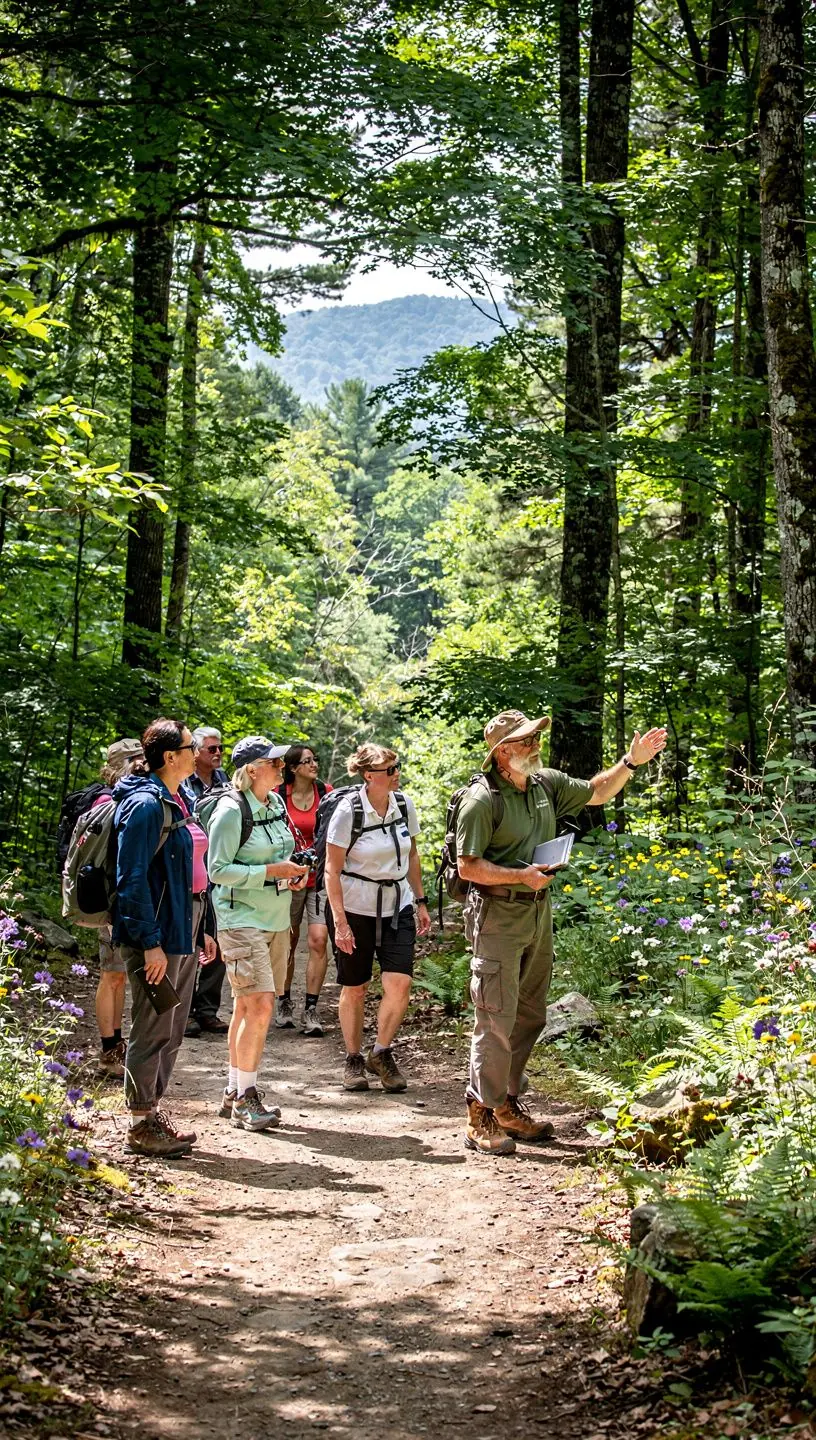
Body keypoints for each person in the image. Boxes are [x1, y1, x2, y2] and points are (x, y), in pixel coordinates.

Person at [456, 710, 667, 1156]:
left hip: (537, 913)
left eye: (535, 737)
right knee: (494, 1017)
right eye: (526, 740)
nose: (535, 745)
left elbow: (596, 792)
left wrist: (630, 762)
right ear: (501, 752)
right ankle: (481, 1112)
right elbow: (467, 866)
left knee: (530, 1014)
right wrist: (520, 877)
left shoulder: (544, 783)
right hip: (496, 916)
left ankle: (508, 1104)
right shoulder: (481, 800)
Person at [112, 719, 217, 1158]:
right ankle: (139, 1124)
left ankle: (152, 1112)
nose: (199, 754)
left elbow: (193, 870)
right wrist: (149, 942)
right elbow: (130, 879)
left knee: (173, 1028)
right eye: (192, 748)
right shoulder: (146, 806)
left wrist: (204, 926)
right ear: (170, 756)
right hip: (154, 935)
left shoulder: (180, 798)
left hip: (183, 925)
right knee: (152, 1027)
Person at [207, 736, 309, 1130]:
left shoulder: (276, 805)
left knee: (247, 1006)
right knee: (263, 1005)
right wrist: (270, 874)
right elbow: (217, 871)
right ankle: (246, 1100)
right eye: (275, 763)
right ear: (251, 769)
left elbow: (279, 857)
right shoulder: (231, 811)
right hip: (240, 918)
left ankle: (234, 1090)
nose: (283, 769)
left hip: (275, 916)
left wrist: (292, 875)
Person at [324, 743, 431, 1093]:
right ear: (369, 775)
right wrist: (340, 921)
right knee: (355, 988)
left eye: (397, 767)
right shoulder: (348, 811)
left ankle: (381, 1052)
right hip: (355, 907)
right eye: (390, 769)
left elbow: (412, 854)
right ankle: (353, 1058)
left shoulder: (403, 804)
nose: (397, 773)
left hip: (396, 904)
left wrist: (421, 900)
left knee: (400, 984)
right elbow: (331, 870)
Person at [93, 738, 144, 1078]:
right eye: (134, 759)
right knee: (112, 975)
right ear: (117, 765)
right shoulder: (107, 801)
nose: (141, 763)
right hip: (110, 900)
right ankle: (109, 1051)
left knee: (119, 976)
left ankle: (116, 1045)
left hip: (122, 899)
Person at [275, 743, 333, 1036]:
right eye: (307, 761)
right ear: (293, 768)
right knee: (288, 940)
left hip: (320, 877)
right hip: (290, 877)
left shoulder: (327, 793)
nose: (314, 764)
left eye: (315, 759)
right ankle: (283, 1001)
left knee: (318, 940)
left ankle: (311, 1008)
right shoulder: (278, 797)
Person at [180, 726, 229, 1037]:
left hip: (221, 870)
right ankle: (182, 1012)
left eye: (219, 748)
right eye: (211, 749)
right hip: (191, 872)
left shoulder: (225, 782)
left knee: (219, 940)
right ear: (195, 752)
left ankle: (207, 1009)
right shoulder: (183, 784)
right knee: (187, 943)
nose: (217, 753)